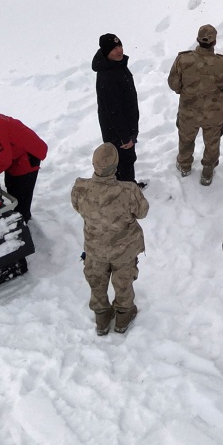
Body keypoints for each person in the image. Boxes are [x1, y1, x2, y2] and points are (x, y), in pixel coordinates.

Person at [71, 143, 149, 335]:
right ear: (115, 166)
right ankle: (123, 314)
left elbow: (77, 207)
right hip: (124, 249)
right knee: (123, 281)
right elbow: (142, 212)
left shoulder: (80, 188)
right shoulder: (128, 191)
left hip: (95, 249)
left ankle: (102, 317)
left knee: (97, 281)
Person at [168, 24, 223, 184]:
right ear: (214, 42)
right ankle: (208, 171)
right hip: (214, 115)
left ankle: (185, 166)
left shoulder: (183, 59)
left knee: (186, 139)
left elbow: (174, 84)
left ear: (198, 40)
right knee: (212, 144)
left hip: (189, 112)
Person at [94, 34, 142, 185]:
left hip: (125, 126)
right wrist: (124, 136)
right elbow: (113, 111)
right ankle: (127, 195)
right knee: (124, 161)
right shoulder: (107, 76)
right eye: (114, 48)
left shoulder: (116, 65)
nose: (119, 50)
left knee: (125, 161)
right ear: (106, 52)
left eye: (120, 46)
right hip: (118, 131)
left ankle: (127, 188)